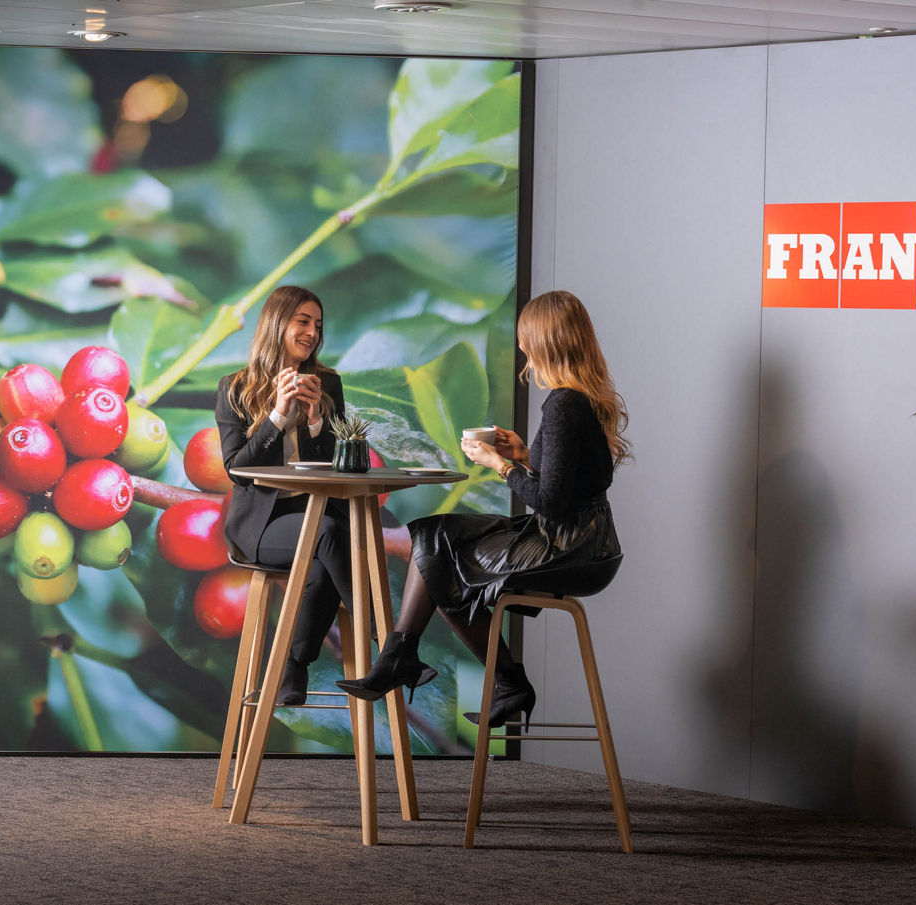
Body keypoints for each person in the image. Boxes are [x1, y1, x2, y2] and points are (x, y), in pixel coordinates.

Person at [337, 290, 628, 730]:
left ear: (544, 340)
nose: (522, 346)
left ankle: (426, 663)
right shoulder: (581, 397)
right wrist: (526, 454)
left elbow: (549, 500)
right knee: (433, 538)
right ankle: (407, 656)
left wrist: (499, 465)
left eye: (526, 337)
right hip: (584, 540)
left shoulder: (565, 404)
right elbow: (575, 482)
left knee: (440, 556)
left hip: (570, 547)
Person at [215, 285, 351, 706]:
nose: (312, 332)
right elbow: (239, 470)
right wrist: (276, 415)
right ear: (278, 324)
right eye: (303, 321)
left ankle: (294, 670)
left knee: (321, 569)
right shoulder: (235, 387)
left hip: (309, 514)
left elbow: (339, 463)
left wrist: (314, 421)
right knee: (327, 534)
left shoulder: (327, 383)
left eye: (318, 325)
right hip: (261, 526)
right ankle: (382, 635)